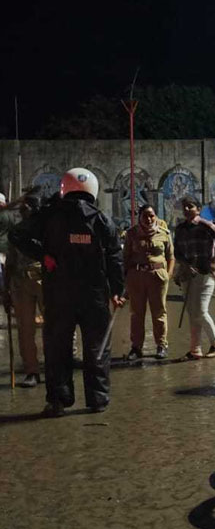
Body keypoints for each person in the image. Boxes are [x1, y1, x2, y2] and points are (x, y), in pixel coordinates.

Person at [9, 168, 125, 417]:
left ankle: (58, 401)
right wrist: (118, 291)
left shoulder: (49, 215)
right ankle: (98, 400)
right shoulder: (102, 219)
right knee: (97, 348)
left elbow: (17, 234)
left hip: (58, 292)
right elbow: (115, 257)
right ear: (92, 189)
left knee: (57, 348)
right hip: (93, 294)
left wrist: (44, 255)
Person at [173, 196, 215, 360]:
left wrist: (214, 260)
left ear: (198, 209)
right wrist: (184, 264)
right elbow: (177, 251)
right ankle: (195, 349)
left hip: (205, 273)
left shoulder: (206, 225)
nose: (186, 210)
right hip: (187, 274)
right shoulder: (180, 229)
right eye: (184, 207)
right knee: (192, 312)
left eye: (190, 207)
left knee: (201, 310)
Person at [123, 205, 174, 361]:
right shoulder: (131, 234)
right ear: (140, 217)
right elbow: (126, 258)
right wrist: (126, 281)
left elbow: (171, 256)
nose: (149, 219)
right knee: (136, 314)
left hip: (157, 278)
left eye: (151, 215)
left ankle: (161, 345)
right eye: (145, 216)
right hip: (137, 278)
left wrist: (168, 275)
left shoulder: (164, 233)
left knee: (159, 313)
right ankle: (136, 347)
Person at [5, 195, 43, 387]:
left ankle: (58, 367)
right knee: (25, 329)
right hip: (20, 282)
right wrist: (5, 291)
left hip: (44, 280)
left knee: (55, 326)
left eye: (26, 208)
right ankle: (32, 371)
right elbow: (10, 262)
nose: (22, 212)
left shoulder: (46, 228)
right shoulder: (17, 232)